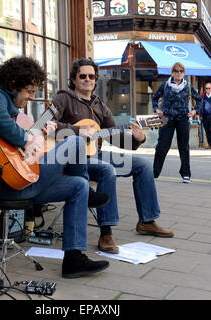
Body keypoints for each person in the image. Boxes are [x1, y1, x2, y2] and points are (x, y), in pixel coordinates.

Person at [0, 56, 110, 279]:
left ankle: (73, 260)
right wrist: (25, 139)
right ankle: (89, 192)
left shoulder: (7, 102)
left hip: (19, 177)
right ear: (13, 85)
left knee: (78, 185)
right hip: (6, 184)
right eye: (29, 91)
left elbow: (12, 147)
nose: (32, 97)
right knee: (76, 141)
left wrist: (35, 139)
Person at [52, 58, 174, 255]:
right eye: (82, 76)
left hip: (95, 155)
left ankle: (147, 221)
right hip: (70, 160)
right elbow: (42, 124)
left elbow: (116, 137)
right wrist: (75, 130)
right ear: (74, 79)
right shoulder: (62, 99)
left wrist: (138, 139)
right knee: (106, 169)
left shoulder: (100, 105)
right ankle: (106, 232)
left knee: (142, 165)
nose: (87, 79)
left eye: (91, 76)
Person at [152, 62, 202, 183]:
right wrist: (156, 109)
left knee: (184, 147)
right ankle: (154, 172)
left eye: (181, 71)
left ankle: (185, 173)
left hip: (183, 119)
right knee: (162, 146)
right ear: (172, 72)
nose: (178, 73)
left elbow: (200, 100)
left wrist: (194, 111)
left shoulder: (188, 86)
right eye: (176, 71)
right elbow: (154, 98)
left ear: (184, 73)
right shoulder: (165, 85)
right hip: (167, 118)